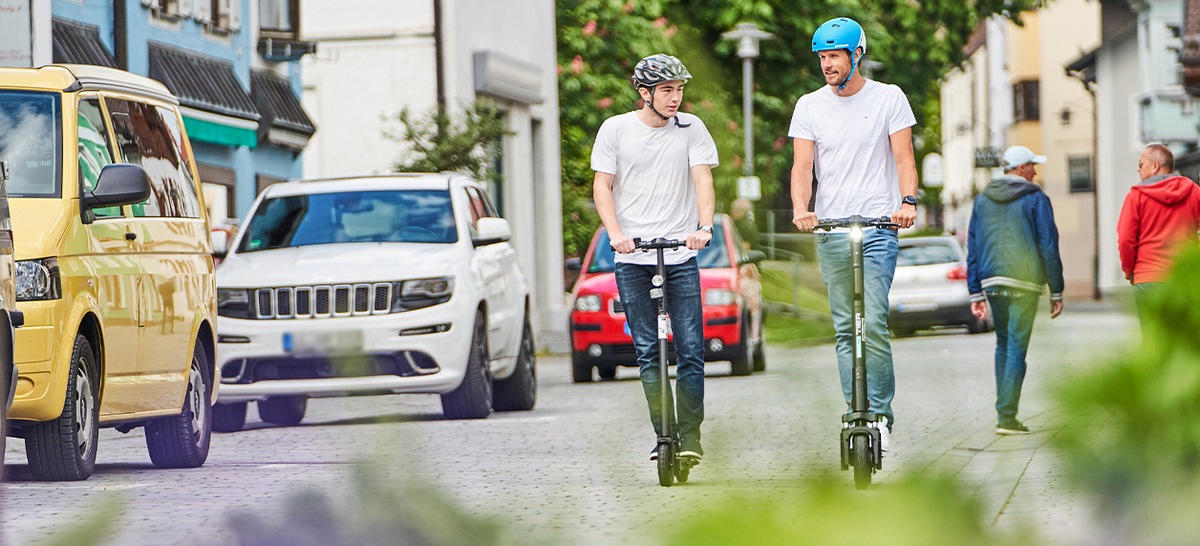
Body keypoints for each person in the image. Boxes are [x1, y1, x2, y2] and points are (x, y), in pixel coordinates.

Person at [788, 17, 917, 451]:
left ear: (856, 55)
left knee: (873, 321)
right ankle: (854, 406)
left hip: (879, 226)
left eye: (835, 56)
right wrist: (801, 209)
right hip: (832, 229)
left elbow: (904, 159)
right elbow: (802, 167)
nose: (827, 65)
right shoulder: (809, 106)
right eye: (822, 57)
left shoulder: (889, 98)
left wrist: (907, 203)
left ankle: (879, 412)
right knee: (846, 327)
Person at [591, 53, 718, 462]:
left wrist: (704, 227)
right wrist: (616, 235)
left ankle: (690, 437)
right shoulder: (616, 130)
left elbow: (702, 178)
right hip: (633, 259)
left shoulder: (691, 129)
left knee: (691, 349)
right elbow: (602, 186)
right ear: (644, 93)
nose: (675, 98)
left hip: (681, 255)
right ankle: (664, 434)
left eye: (679, 90)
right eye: (666, 90)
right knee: (648, 351)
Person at [966, 145, 1065, 436]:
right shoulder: (1036, 198)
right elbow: (1048, 245)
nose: (1035, 170)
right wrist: (1056, 290)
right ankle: (1006, 417)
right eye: (1032, 165)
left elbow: (974, 246)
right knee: (1016, 348)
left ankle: (1003, 413)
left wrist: (975, 291)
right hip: (1023, 283)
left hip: (992, 282)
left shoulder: (982, 200)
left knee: (1003, 343)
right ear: (1021, 168)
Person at [1117, 144, 1200, 334]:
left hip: (1148, 278)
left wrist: (1130, 271)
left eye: (1141, 164)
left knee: (1154, 341)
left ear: (1155, 166)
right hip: (1183, 280)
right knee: (1183, 341)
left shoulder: (1136, 196)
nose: (1138, 169)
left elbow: (1125, 240)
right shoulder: (1194, 191)